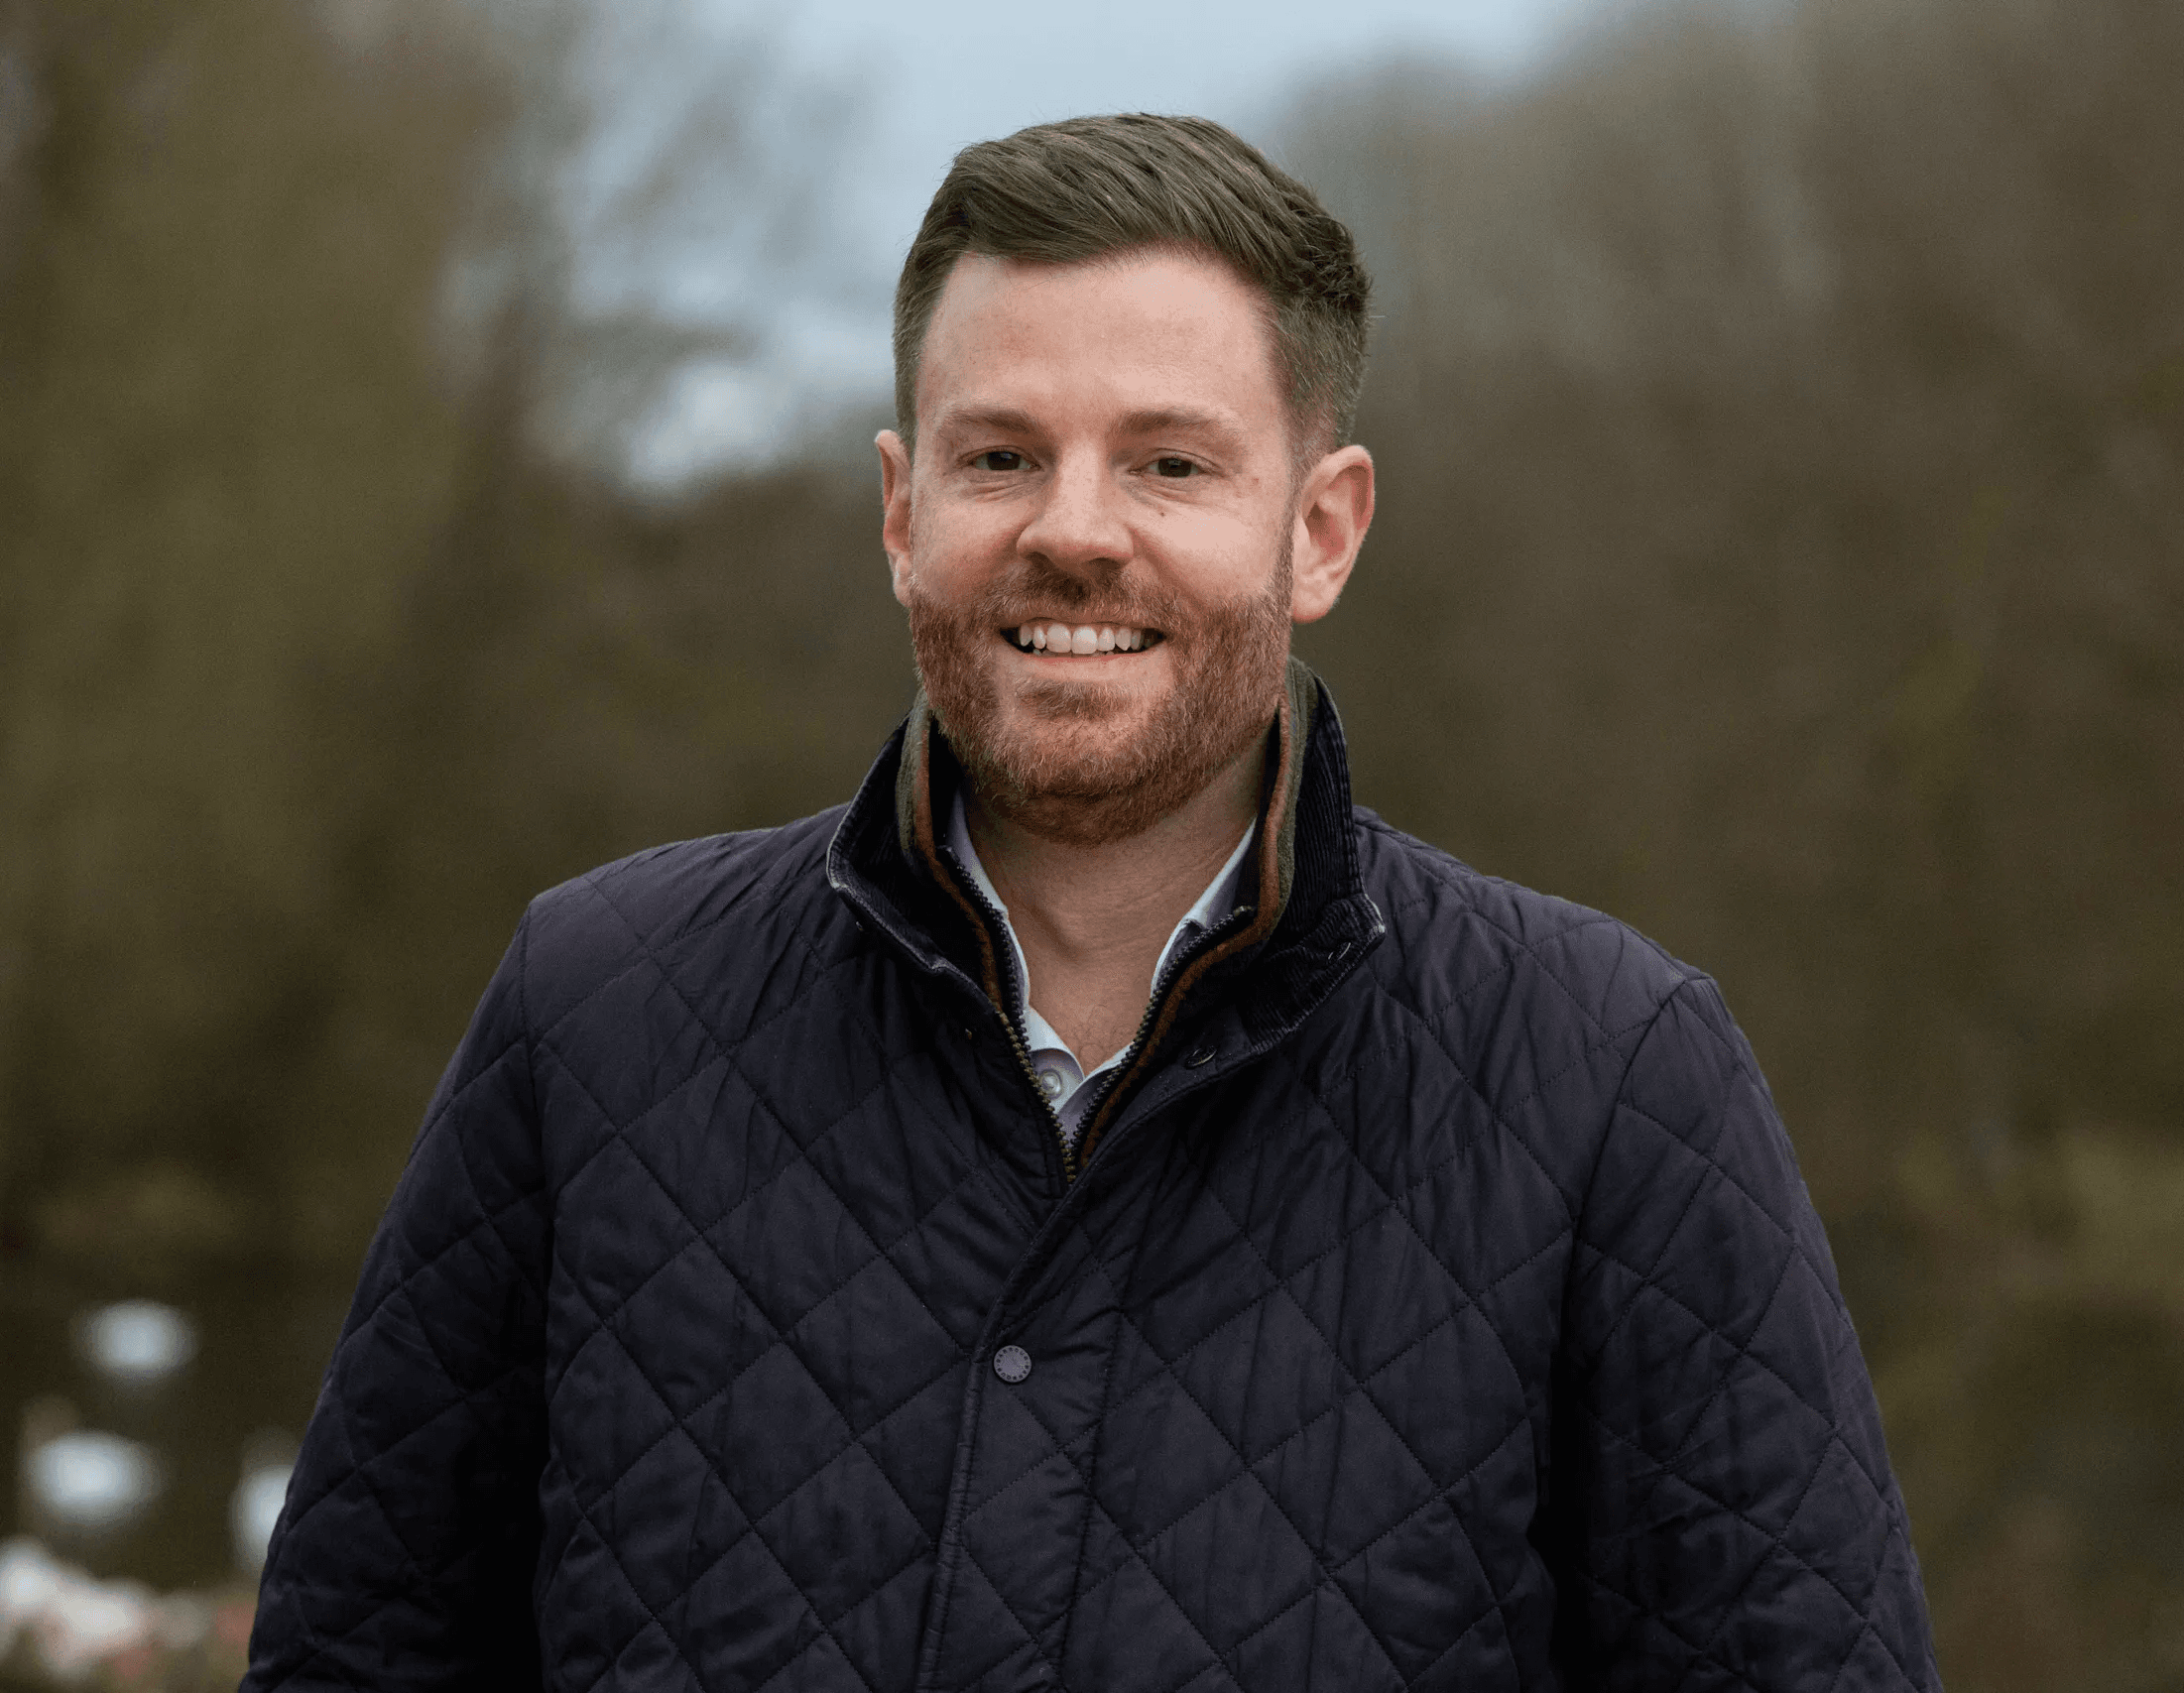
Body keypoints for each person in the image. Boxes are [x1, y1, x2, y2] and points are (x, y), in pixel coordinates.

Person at [244, 113, 1941, 1693]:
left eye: (1170, 465)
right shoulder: (594, 1014)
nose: (1073, 531)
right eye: (1001, 455)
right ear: (902, 510)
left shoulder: (1613, 1078)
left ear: (1322, 528)